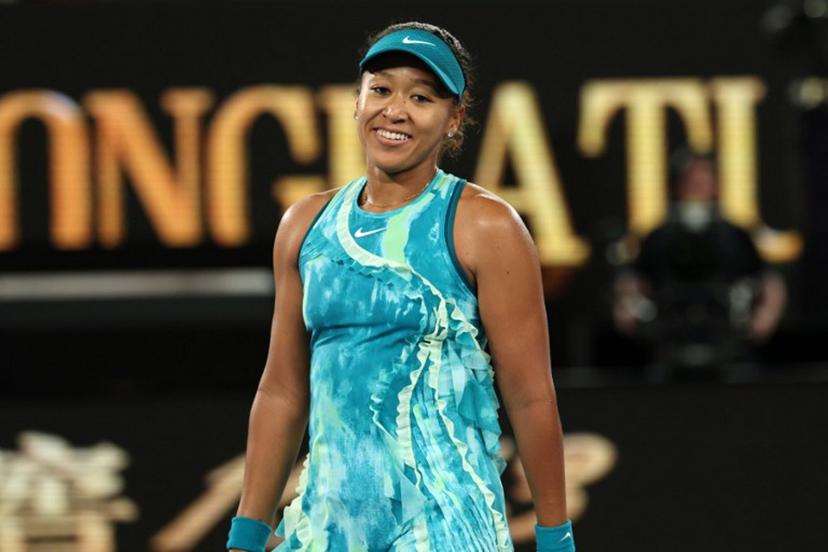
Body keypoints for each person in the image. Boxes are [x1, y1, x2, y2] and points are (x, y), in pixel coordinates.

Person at [227, 22, 574, 552]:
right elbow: (282, 391)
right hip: (328, 527)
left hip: (449, 525)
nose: (395, 110)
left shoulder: (486, 227)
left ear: (454, 118)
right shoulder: (304, 226)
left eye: (421, 97)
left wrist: (557, 537)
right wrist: (246, 533)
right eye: (381, 89)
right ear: (358, 100)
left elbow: (529, 394)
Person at [613, 149, 787, 381]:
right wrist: (628, 310)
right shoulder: (659, 235)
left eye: (704, 179)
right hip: (669, 347)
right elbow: (633, 282)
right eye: (691, 179)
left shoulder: (734, 234)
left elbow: (768, 280)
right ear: (676, 184)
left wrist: (765, 317)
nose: (697, 185)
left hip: (729, 347)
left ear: (716, 184)